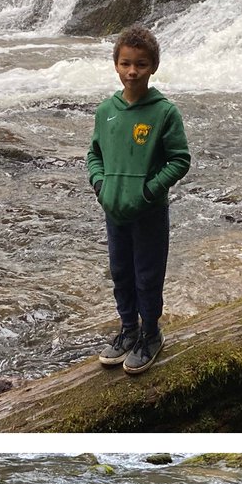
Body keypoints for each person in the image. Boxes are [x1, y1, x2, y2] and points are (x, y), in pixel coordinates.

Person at [87, 25, 190, 374]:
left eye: (141, 64)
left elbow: (180, 160)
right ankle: (127, 329)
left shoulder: (164, 113)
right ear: (116, 65)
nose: (133, 72)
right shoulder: (106, 111)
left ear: (153, 67)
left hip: (148, 212)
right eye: (126, 63)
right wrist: (100, 185)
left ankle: (151, 334)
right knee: (121, 272)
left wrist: (149, 191)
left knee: (148, 275)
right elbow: (94, 155)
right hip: (114, 210)